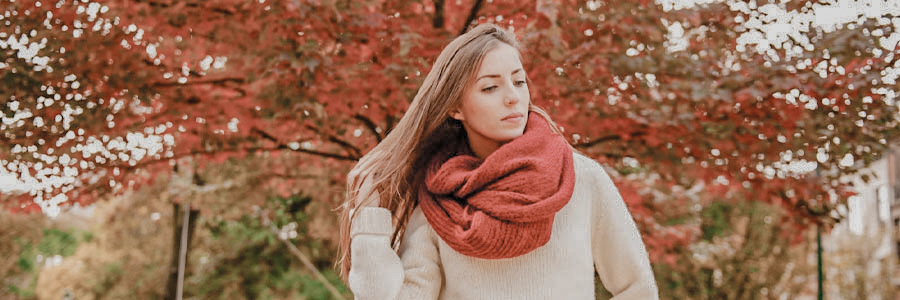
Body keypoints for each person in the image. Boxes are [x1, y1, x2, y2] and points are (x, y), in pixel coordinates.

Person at [337, 23, 659, 299]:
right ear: (455, 108)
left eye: (519, 82)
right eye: (490, 87)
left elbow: (637, 288)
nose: (513, 97)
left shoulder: (581, 179)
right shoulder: (439, 198)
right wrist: (369, 228)